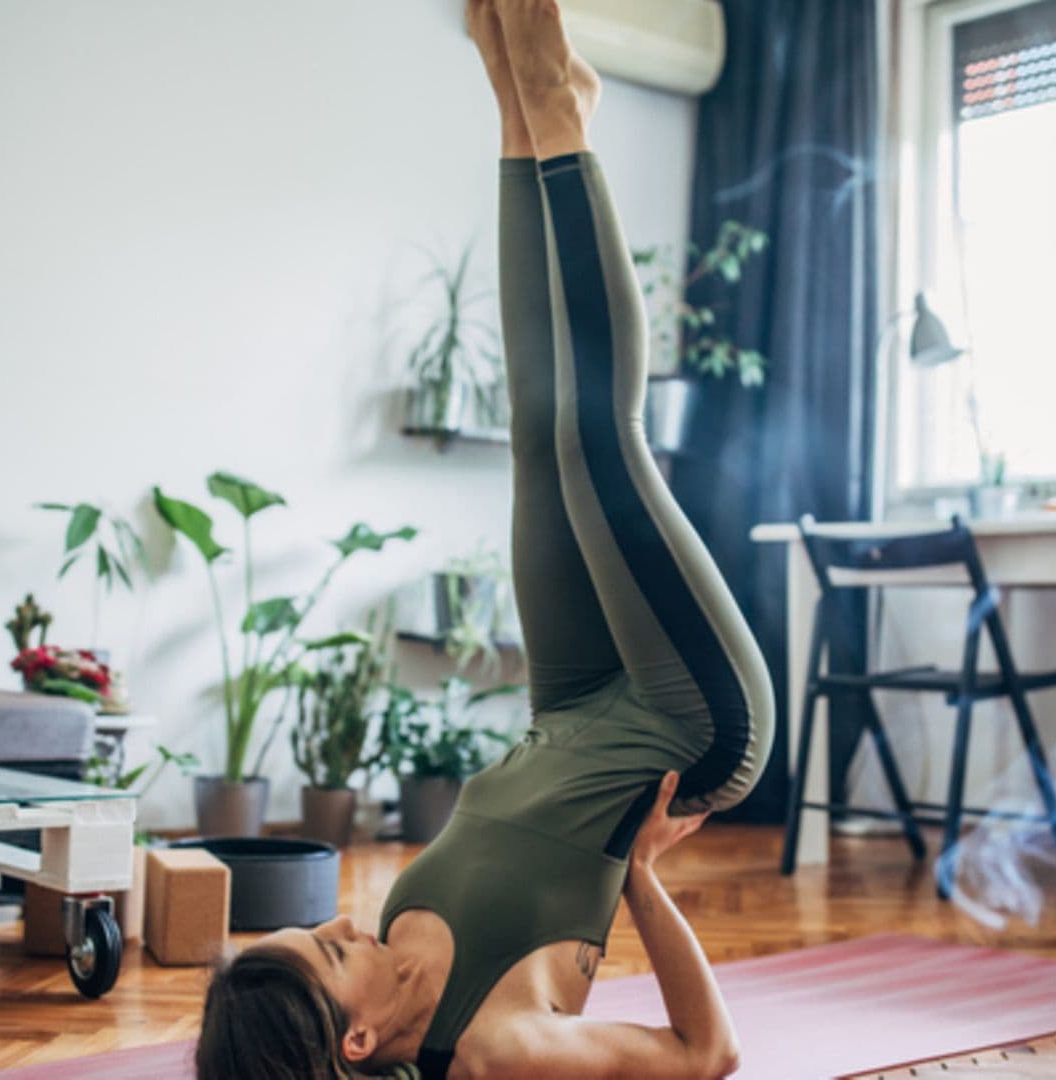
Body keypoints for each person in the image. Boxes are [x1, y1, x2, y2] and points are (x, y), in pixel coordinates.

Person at [197, 2, 774, 1076]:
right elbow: (707, 1057)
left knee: (535, 430)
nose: (346, 924)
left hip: (573, 705)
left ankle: (523, 108)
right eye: (330, 950)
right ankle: (560, 112)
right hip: (691, 722)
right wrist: (641, 878)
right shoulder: (496, 1047)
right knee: (598, 433)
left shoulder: (400, 939)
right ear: (357, 1037)